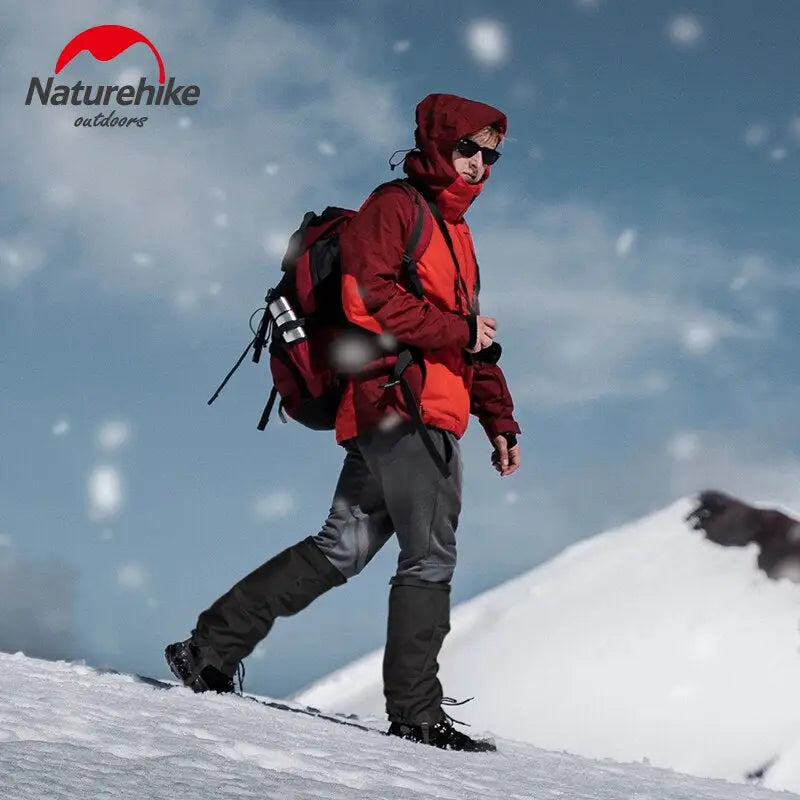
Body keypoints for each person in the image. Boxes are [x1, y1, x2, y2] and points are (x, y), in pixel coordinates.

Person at [165, 93, 521, 752]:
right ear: (439, 143)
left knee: (340, 549)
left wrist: (499, 416)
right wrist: (457, 328)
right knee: (430, 555)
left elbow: (474, 341)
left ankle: (209, 646)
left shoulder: (457, 236)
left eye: (491, 153)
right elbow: (366, 297)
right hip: (404, 407)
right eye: (468, 148)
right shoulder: (397, 208)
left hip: (418, 407)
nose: (479, 164)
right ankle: (416, 712)